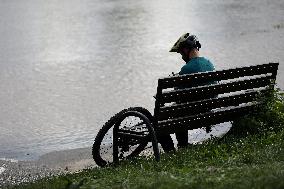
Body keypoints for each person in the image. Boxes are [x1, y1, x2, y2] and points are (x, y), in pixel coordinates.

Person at [159, 33, 216, 152]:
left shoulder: (186, 69)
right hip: (208, 110)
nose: (181, 56)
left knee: (160, 120)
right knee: (179, 109)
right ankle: (182, 146)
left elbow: (177, 95)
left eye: (181, 52)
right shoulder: (209, 64)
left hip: (191, 113)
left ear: (186, 49)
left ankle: (172, 151)